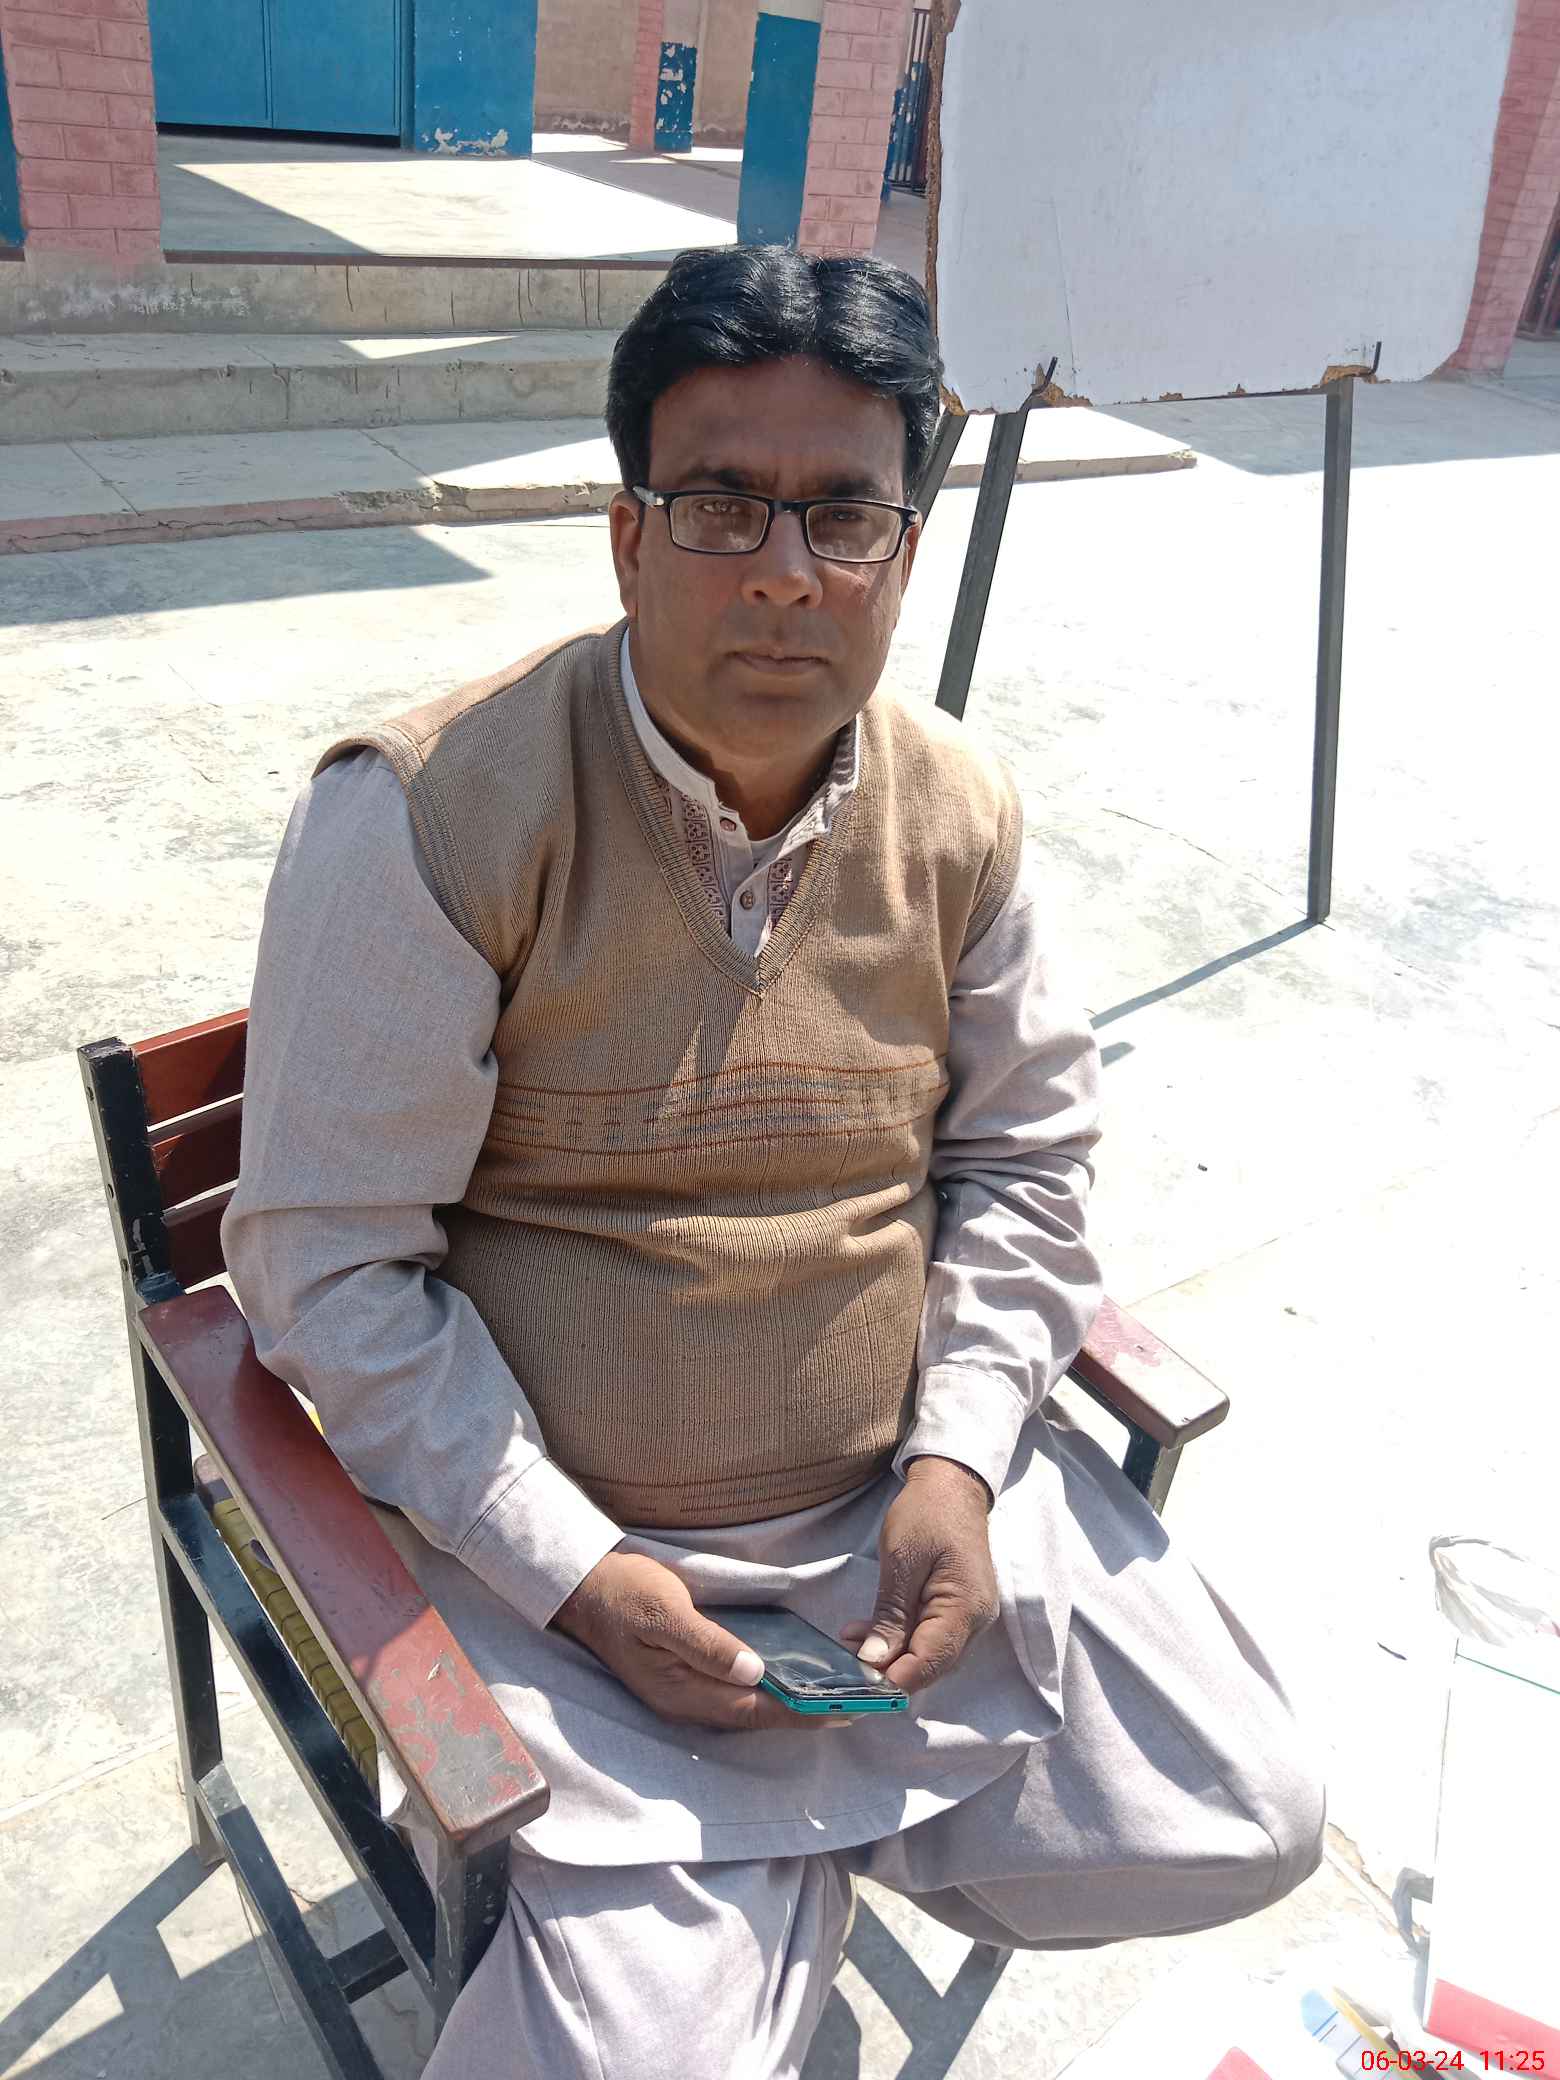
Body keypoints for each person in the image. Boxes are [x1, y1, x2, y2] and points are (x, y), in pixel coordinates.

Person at [222, 244, 1324, 2079]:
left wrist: (958, 1458)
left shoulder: (959, 809)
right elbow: (327, 1268)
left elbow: (1029, 1164)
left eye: (844, 515)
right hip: (570, 1562)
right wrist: (575, 1569)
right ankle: (746, 1861)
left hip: (897, 1522)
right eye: (722, 505)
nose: (787, 572)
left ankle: (794, 1841)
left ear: (904, 548)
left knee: (1249, 1812)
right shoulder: (433, 811)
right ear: (627, 538)